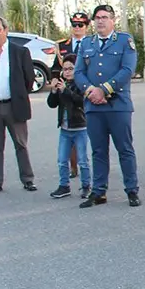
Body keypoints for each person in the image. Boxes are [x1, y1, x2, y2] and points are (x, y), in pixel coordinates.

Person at [74, 4, 141, 208]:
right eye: (97, 18)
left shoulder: (123, 41)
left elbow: (127, 69)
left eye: (104, 17)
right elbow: (78, 73)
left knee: (125, 149)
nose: (100, 21)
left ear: (113, 20)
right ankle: (99, 191)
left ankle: (131, 190)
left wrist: (104, 89)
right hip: (94, 106)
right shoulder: (87, 43)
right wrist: (91, 92)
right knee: (98, 150)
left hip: (118, 105)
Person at [0, 17, 36, 195]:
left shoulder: (20, 52)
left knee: (21, 144)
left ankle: (27, 179)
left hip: (14, 106)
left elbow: (29, 79)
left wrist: (18, 96)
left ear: (6, 30)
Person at [47, 61, 91, 199]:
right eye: (65, 69)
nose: (67, 72)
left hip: (80, 127)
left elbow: (81, 101)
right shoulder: (62, 84)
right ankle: (64, 186)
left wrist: (66, 90)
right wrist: (54, 91)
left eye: (71, 69)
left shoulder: (81, 84)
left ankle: (86, 186)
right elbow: (52, 104)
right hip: (65, 129)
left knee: (82, 160)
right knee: (62, 159)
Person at [58, 10, 91, 181]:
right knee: (69, 126)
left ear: (87, 26)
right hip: (67, 90)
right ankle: (73, 167)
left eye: (81, 25)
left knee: (87, 132)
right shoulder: (62, 45)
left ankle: (89, 166)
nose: (77, 28)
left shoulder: (93, 43)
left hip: (85, 88)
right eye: (74, 25)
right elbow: (58, 69)